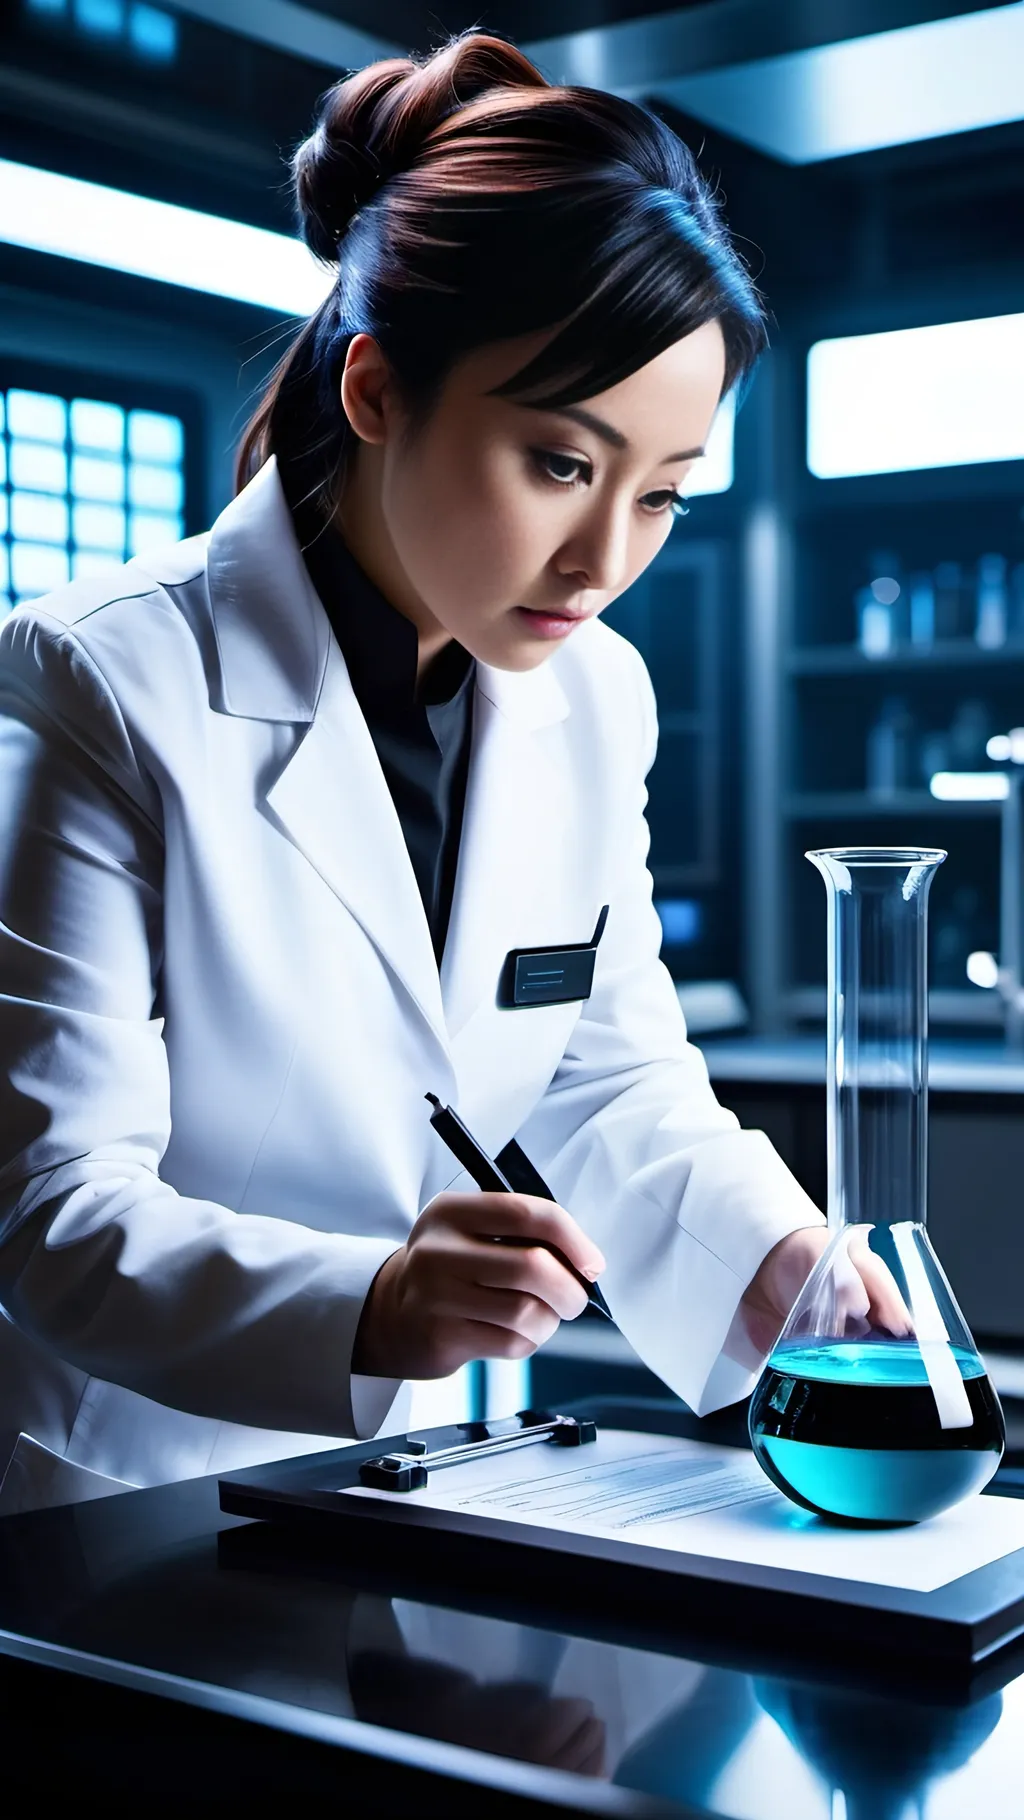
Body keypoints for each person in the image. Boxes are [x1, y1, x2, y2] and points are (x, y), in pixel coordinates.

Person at [0, 32, 898, 1516]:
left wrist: (776, 1258)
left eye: (661, 494)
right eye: (560, 461)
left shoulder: (594, 696)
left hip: (411, 1479)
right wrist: (375, 1306)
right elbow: (47, 1210)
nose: (605, 560)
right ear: (374, 389)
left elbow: (605, 1072)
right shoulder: (97, 679)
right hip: (107, 1496)